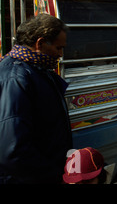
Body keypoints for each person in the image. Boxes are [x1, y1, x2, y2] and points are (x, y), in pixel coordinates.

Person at [0, 13, 72, 184]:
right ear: (40, 43)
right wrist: (54, 175)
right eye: (58, 48)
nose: (60, 54)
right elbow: (13, 149)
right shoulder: (17, 78)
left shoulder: (36, 70)